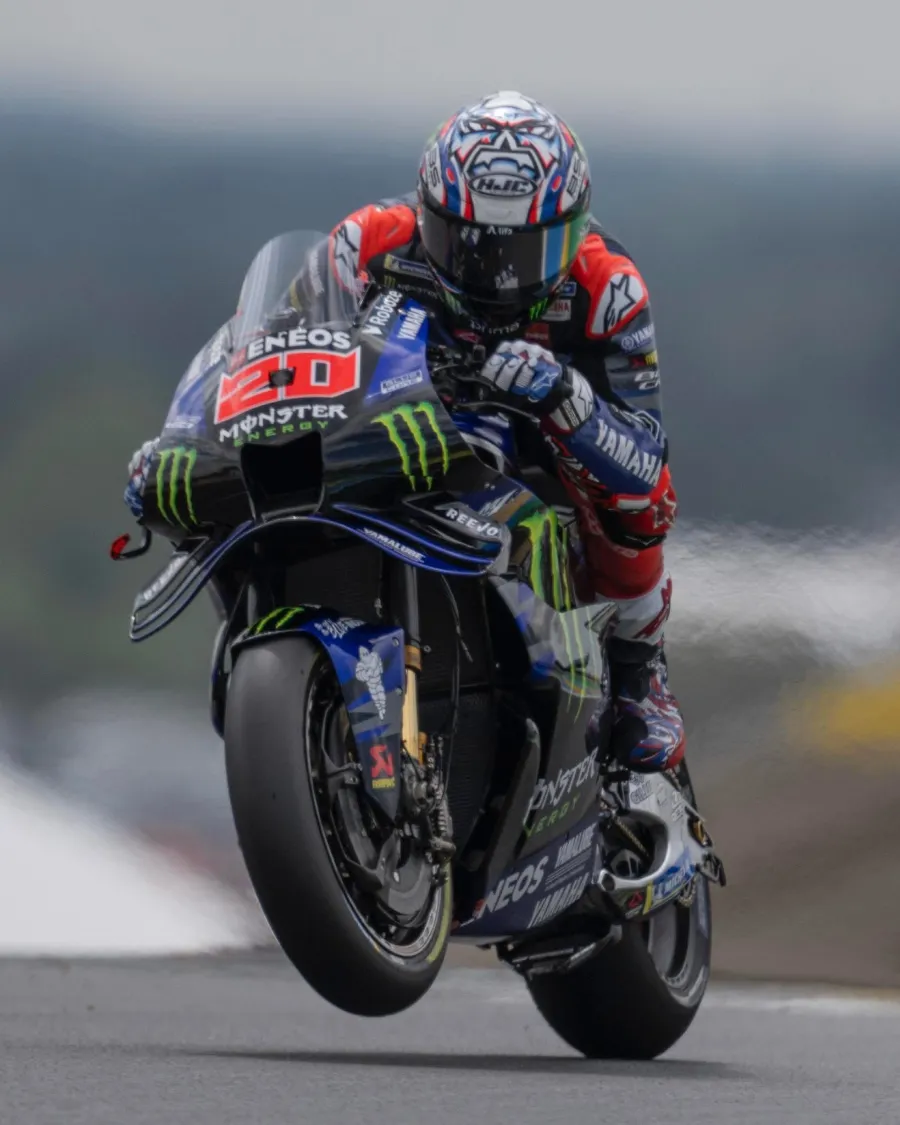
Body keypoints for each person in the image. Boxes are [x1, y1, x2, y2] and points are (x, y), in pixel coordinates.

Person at [126, 91, 684, 773]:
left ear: (573, 231)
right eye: (466, 244)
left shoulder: (609, 288)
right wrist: (192, 436)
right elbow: (274, 354)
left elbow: (645, 456)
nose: (497, 278)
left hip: (540, 441)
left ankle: (639, 667)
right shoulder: (365, 244)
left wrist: (567, 399)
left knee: (641, 501)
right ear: (427, 214)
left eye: (524, 251)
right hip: (398, 421)